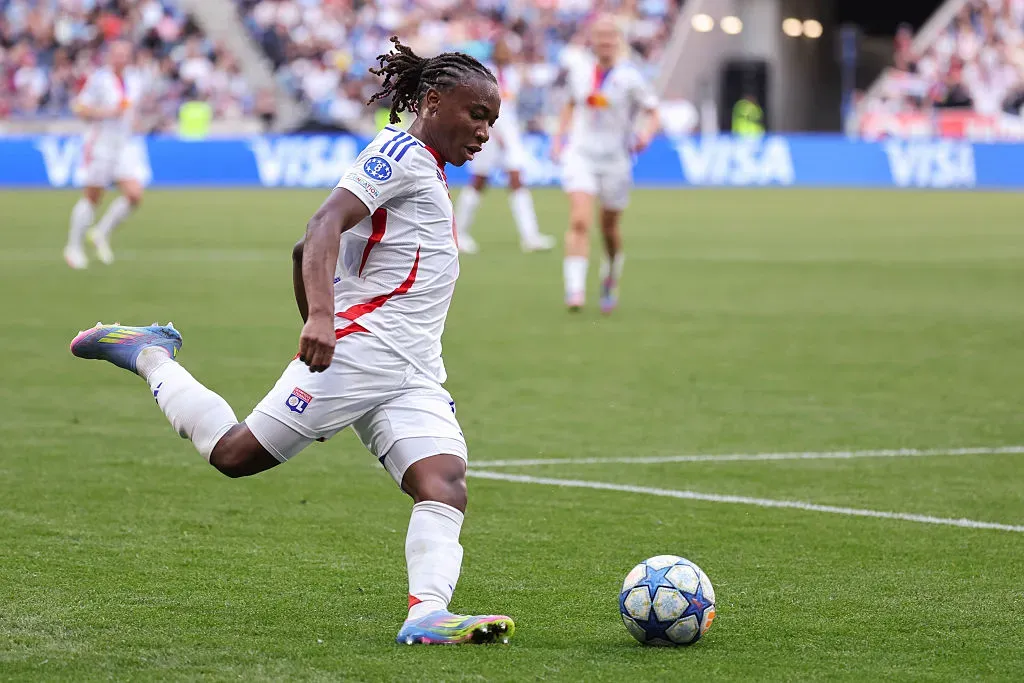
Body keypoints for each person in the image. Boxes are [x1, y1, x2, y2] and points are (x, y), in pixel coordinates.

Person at [69, 36, 515, 646]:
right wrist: (323, 320)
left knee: (443, 483)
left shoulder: (428, 168)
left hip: (413, 368)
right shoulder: (399, 154)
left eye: (491, 120)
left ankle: (427, 614)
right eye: (477, 114)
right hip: (365, 352)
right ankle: (148, 353)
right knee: (234, 455)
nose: (485, 131)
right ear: (433, 102)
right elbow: (321, 225)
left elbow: (306, 251)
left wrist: (319, 320)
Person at [551, 15, 660, 314]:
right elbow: (570, 105)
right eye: (600, 36)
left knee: (609, 228)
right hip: (581, 154)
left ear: (618, 40)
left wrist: (645, 135)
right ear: (593, 41)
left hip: (616, 159)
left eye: (610, 36)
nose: (605, 42)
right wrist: (559, 139)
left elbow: (653, 112)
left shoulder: (631, 77)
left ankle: (610, 276)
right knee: (579, 220)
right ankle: (574, 289)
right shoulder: (580, 72)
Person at [453, 37, 555, 254]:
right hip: (487, 135)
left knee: (517, 180)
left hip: (510, 135)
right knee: (478, 181)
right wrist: (491, 130)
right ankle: (459, 234)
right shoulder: (485, 74)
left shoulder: (512, 74)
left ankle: (530, 236)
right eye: (503, 49)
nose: (506, 53)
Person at [64, 39, 147, 269]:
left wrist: (135, 122)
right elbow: (80, 108)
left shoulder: (134, 79)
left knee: (134, 195)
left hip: (124, 144)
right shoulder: (99, 79)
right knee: (93, 197)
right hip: (101, 143)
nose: (122, 59)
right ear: (110, 56)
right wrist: (108, 112)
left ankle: (101, 232)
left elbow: (129, 109)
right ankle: (73, 246)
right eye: (118, 54)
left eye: (125, 54)